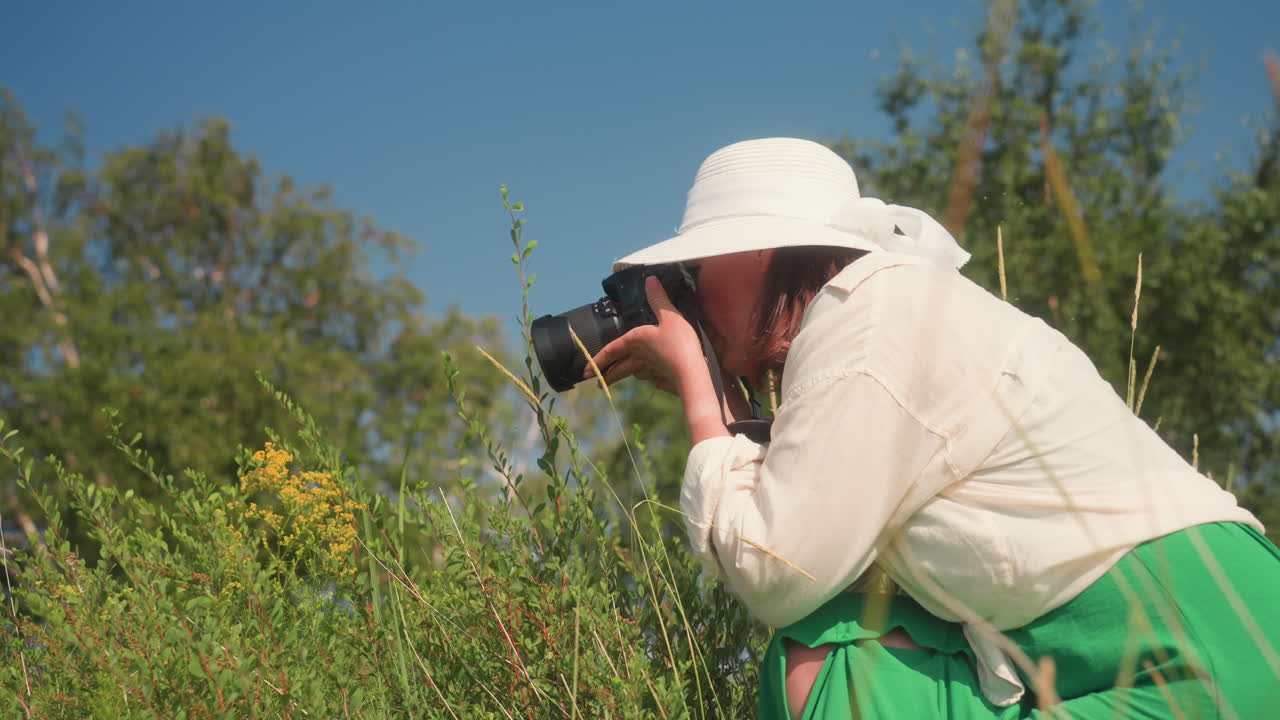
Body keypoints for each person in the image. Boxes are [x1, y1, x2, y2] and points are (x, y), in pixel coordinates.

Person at [586, 137, 1280, 719]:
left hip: (1202, 652)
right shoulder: (882, 316)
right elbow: (810, 512)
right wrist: (716, 382)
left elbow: (779, 571)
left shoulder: (868, 316)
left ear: (762, 253)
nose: (686, 295)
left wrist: (702, 398)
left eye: (693, 268)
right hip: (1208, 643)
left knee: (823, 652)